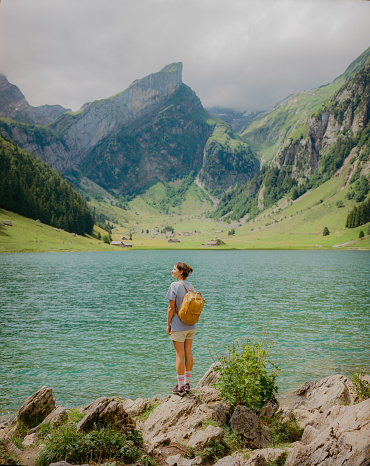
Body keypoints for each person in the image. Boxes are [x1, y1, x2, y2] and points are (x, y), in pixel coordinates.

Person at [166, 261, 196, 396]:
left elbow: (171, 307)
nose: (172, 271)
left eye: (174, 269)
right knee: (188, 352)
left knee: (179, 355)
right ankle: (187, 383)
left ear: (181, 272)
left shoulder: (174, 285)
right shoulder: (190, 286)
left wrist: (168, 324)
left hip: (178, 326)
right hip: (191, 325)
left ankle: (180, 386)